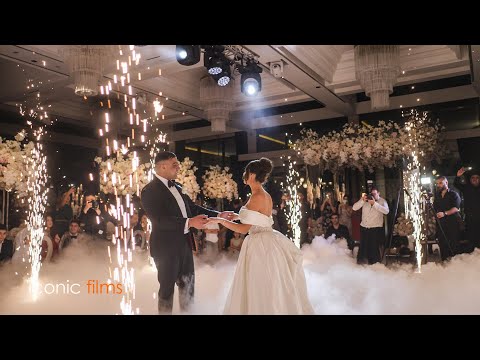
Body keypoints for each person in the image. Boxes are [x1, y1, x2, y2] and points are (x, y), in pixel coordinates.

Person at [207, 157, 314, 315]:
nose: (244, 175)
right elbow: (259, 218)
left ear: (251, 175)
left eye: (246, 172)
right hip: (267, 240)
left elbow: (243, 229)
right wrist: (236, 216)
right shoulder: (263, 194)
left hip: (259, 245)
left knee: (259, 286)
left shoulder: (256, 196)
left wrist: (220, 220)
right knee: (269, 285)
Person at [140, 151, 235, 314]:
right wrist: (190, 222)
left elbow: (193, 208)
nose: (178, 167)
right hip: (165, 248)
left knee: (188, 287)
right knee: (167, 291)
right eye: (174, 164)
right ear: (162, 166)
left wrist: (218, 215)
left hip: (184, 244)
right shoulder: (149, 190)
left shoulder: (177, 187)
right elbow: (159, 219)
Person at [352, 187, 389, 265]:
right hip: (364, 227)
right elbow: (354, 208)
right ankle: (362, 264)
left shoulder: (382, 201)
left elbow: (386, 211)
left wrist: (374, 204)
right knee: (363, 247)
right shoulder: (365, 200)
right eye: (372, 194)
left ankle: (375, 264)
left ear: (378, 193)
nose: (373, 195)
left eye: (375, 194)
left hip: (375, 228)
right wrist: (362, 200)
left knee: (374, 247)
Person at [433, 176, 462, 261]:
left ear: (446, 183)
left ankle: (454, 264)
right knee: (442, 243)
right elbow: (435, 208)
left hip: (452, 222)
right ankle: (444, 263)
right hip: (441, 223)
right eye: (437, 183)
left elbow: (456, 208)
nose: (439, 185)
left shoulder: (453, 194)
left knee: (453, 243)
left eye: (441, 183)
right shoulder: (437, 195)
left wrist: (445, 213)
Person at [454, 167, 480, 250]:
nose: (475, 179)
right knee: (471, 236)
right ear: (470, 179)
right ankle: (472, 254)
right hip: (470, 217)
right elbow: (456, 184)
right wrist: (458, 176)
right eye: (473, 178)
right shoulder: (467, 188)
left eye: (477, 178)